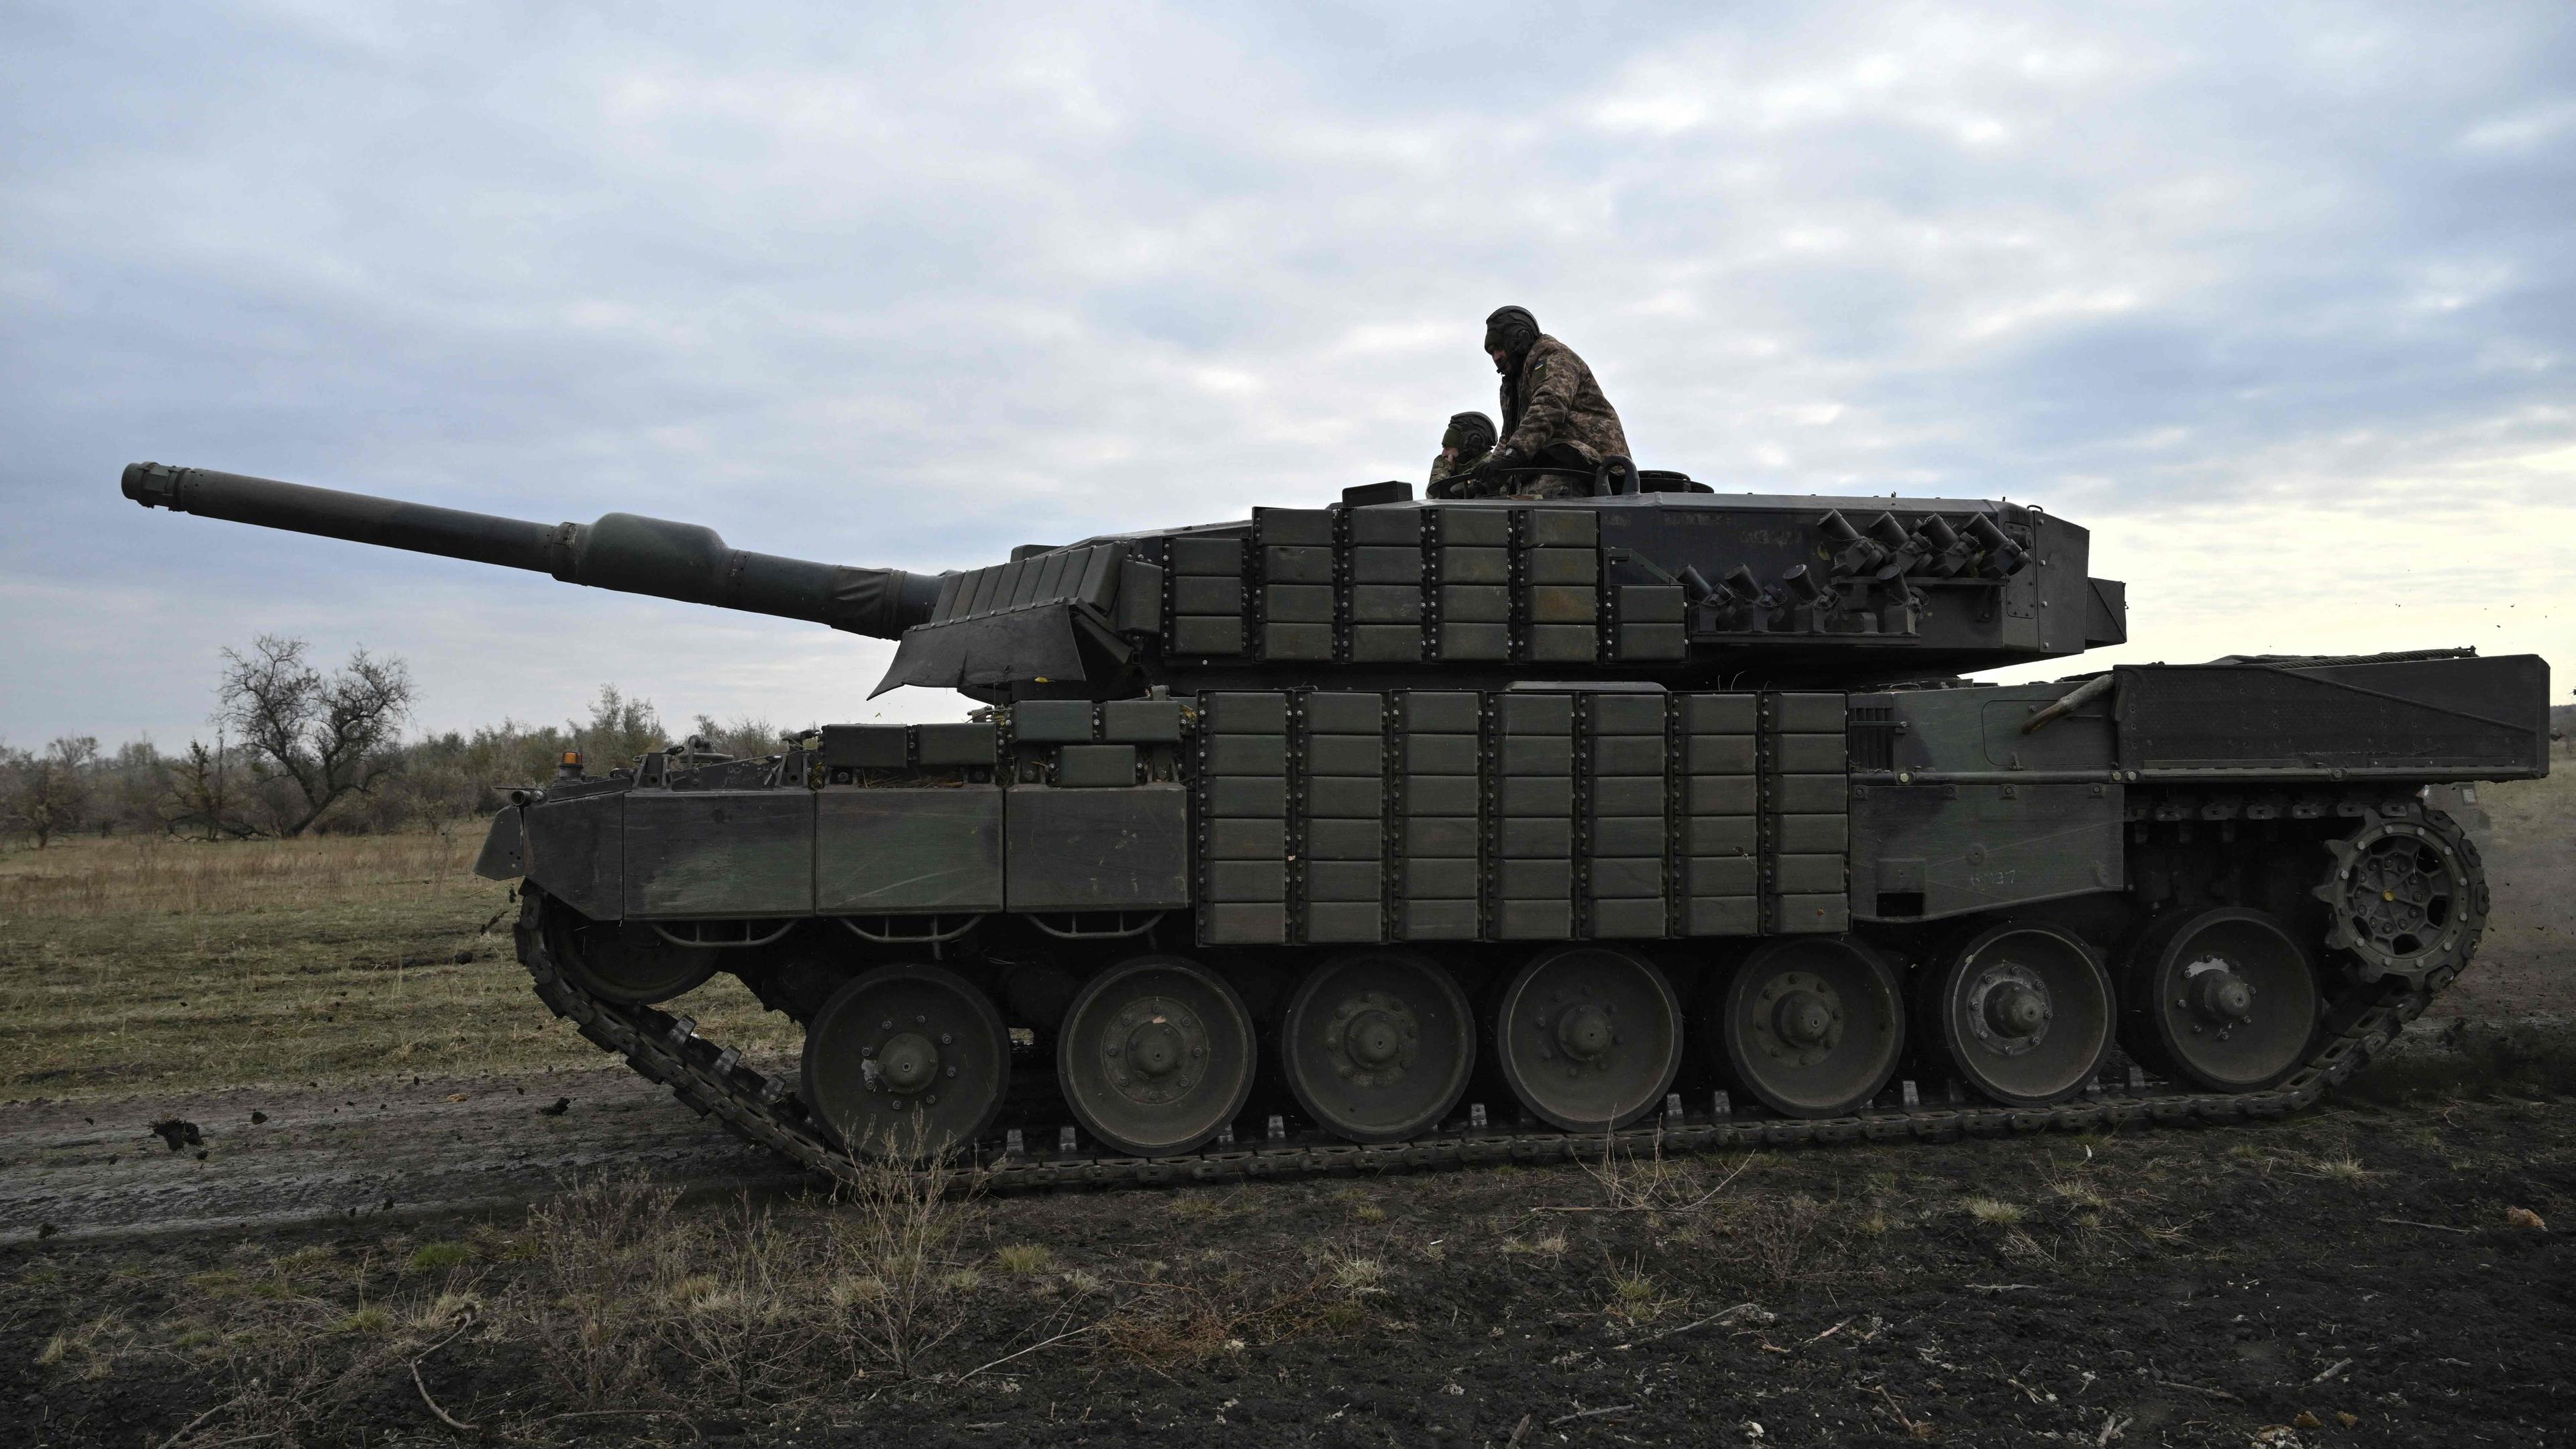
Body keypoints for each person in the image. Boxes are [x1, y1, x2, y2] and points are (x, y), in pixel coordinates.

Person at [1477, 305, 1629, 500]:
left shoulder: (1554, 357)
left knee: (1542, 500)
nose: (1496, 357)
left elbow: (1549, 407)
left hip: (1590, 464)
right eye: (1491, 353)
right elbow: (1509, 435)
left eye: (1499, 348)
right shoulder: (1511, 385)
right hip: (1548, 462)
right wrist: (1490, 477)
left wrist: (1514, 455)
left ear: (1519, 338)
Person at [1426, 411, 1496, 498]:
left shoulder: (1487, 467)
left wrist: (1444, 472)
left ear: (1470, 445)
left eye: (1447, 448)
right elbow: (1432, 498)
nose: (1444, 454)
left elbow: (1445, 498)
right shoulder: (1461, 468)